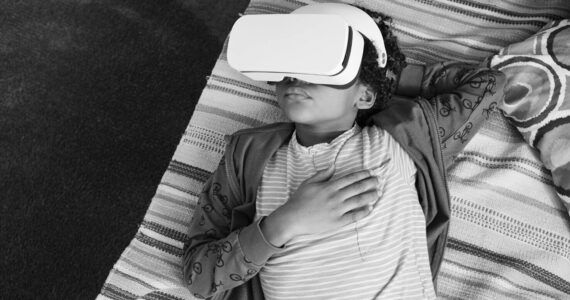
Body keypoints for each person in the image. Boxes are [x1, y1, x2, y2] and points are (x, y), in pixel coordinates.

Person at [182, 3, 505, 300]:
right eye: (291, 64)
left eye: (320, 63)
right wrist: (281, 224)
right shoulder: (247, 157)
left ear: (365, 95)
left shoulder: (400, 140)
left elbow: (489, 84)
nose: (298, 75)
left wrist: (384, 75)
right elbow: (198, 275)